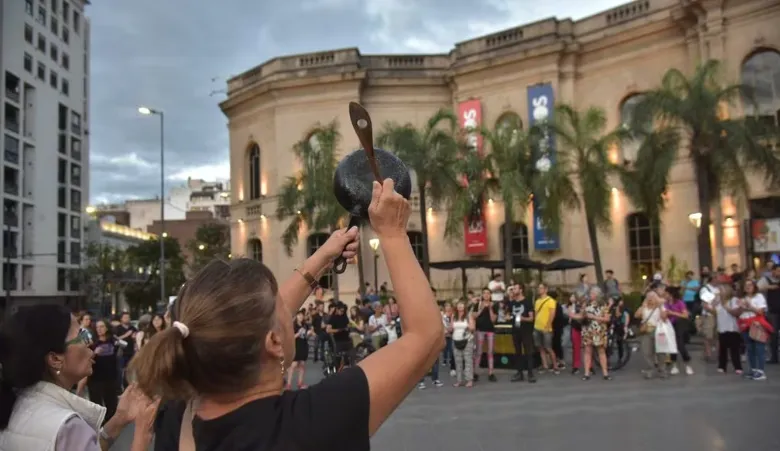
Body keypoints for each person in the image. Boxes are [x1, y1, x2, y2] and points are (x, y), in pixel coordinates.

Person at [135, 178, 443, 451]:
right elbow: (425, 335)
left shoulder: (178, 416)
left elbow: (242, 319)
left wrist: (321, 259)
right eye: (281, 308)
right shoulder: (311, 424)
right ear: (272, 342)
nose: (287, 307)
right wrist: (392, 235)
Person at [0, 304, 157, 451]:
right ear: (55, 359)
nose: (89, 342)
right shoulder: (67, 427)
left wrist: (119, 419)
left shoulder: (15, 403)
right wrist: (142, 436)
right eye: (81, 335)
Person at [508, 283, 536, 383]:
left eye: (515, 288)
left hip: (526, 331)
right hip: (515, 330)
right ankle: (519, 373)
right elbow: (509, 314)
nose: (513, 290)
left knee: (528, 352)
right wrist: (509, 317)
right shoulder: (512, 303)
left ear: (521, 290)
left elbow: (531, 318)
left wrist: (523, 318)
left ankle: (530, 373)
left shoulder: (527, 302)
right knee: (517, 352)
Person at [533, 283, 559, 374]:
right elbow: (536, 314)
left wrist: (548, 325)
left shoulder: (550, 301)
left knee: (548, 347)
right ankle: (545, 365)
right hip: (537, 327)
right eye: (538, 288)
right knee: (540, 347)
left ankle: (555, 365)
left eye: (541, 288)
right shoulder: (537, 301)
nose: (539, 290)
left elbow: (552, 314)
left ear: (546, 289)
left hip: (546, 328)